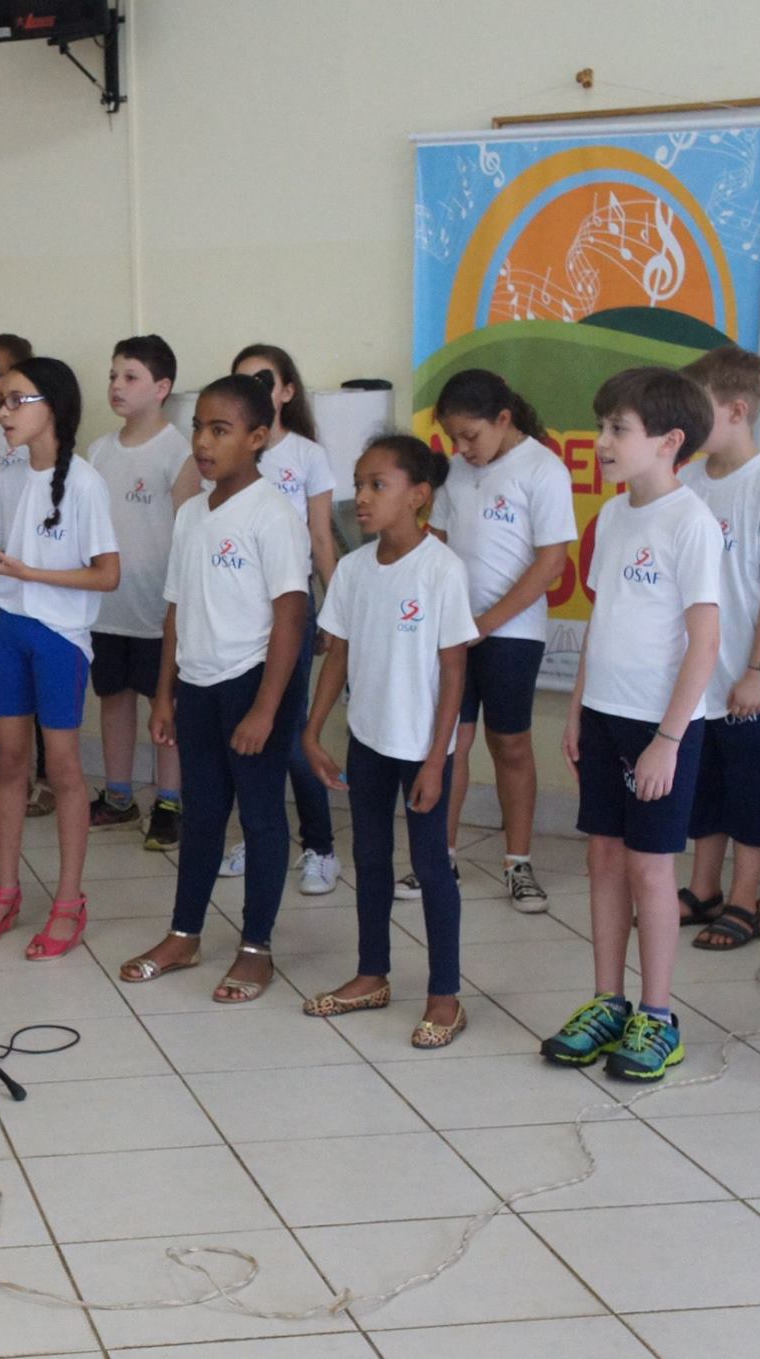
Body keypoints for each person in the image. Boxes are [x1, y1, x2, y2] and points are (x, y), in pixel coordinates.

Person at [543, 367, 720, 1082]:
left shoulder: (691, 523)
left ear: (670, 441)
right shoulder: (612, 516)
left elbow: (704, 643)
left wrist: (669, 739)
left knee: (652, 868)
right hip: (607, 718)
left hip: (662, 729)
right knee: (603, 860)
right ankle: (607, 1001)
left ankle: (657, 1015)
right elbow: (605, 620)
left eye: (618, 428)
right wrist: (579, 704)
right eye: (602, 424)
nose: (602, 439)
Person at [119, 375, 308, 1001]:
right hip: (196, 687)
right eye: (199, 427)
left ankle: (257, 947)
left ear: (257, 438)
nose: (203, 441)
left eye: (220, 430)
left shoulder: (274, 514)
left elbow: (290, 615)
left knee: (258, 818)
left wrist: (265, 708)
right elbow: (176, 609)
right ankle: (185, 933)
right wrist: (166, 694)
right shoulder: (193, 514)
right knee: (200, 816)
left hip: (252, 686)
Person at [301, 436, 479, 1048]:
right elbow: (337, 654)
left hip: (423, 747)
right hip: (368, 740)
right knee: (370, 861)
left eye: (379, 484)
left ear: (419, 496)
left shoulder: (441, 570)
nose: (363, 498)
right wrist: (312, 726)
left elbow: (455, 671)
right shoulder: (352, 570)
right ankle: (371, 973)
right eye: (359, 484)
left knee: (431, 868)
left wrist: (438, 759)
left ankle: (445, 996)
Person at [0, 357, 120, 960]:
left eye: (14, 401)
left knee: (63, 768)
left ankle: (68, 900)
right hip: (13, 626)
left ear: (50, 406)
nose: (1, 412)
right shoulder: (11, 476)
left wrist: (25, 570)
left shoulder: (84, 481)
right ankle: (6, 890)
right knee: (7, 761)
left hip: (59, 637)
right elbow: (14, 550)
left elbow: (108, 575)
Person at [676, 347, 760, 950]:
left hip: (746, 680)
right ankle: (703, 889)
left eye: (697, 409)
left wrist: (757, 671)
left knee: (750, 792)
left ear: (737, 410)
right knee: (703, 785)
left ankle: (745, 899)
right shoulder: (687, 482)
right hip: (696, 679)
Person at [427, 369, 577, 910]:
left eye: (471, 435)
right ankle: (437, 858)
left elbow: (551, 563)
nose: (462, 448)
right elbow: (436, 545)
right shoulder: (455, 474)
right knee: (449, 743)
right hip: (452, 634)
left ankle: (518, 862)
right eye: (453, 438)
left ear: (504, 419)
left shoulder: (542, 468)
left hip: (511, 633)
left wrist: (485, 623)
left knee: (508, 743)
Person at [217, 345, 342, 896]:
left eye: (264, 380)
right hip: (237, 607)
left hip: (290, 604)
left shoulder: (308, 454)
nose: (253, 388)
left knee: (289, 731)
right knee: (244, 728)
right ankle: (260, 832)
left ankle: (320, 846)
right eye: (241, 380)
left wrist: (336, 611)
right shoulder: (226, 449)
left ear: (287, 391)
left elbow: (320, 538)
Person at [85, 335, 201, 850]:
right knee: (113, 698)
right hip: (107, 605)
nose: (116, 385)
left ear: (162, 387)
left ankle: (170, 801)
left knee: (164, 707)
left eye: (129, 377)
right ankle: (117, 794)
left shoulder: (179, 452)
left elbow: (188, 532)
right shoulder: (98, 451)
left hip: (160, 609)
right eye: (113, 375)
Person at [0, 333, 52, 818]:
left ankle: (47, 778)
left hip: (33, 572)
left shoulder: (33, 432)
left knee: (40, 678)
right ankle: (13, 778)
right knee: (9, 681)